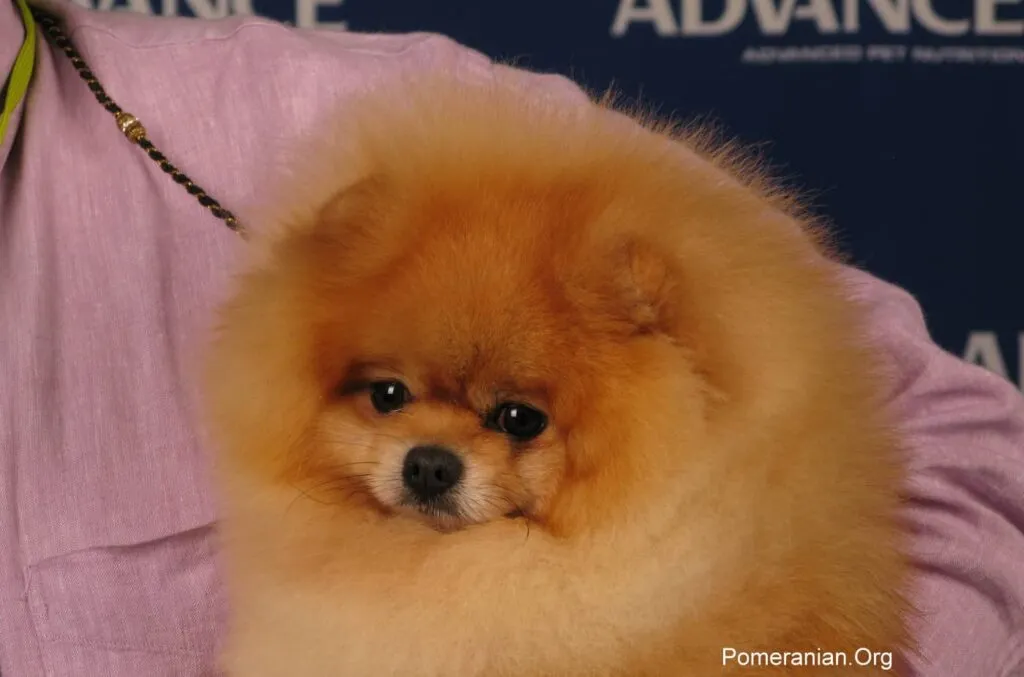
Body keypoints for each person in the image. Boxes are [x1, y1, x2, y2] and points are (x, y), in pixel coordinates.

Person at [1, 0, 1022, 674]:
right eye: (388, 398)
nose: (431, 445)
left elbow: (968, 442)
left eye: (518, 419)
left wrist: (810, 659)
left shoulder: (352, 134)